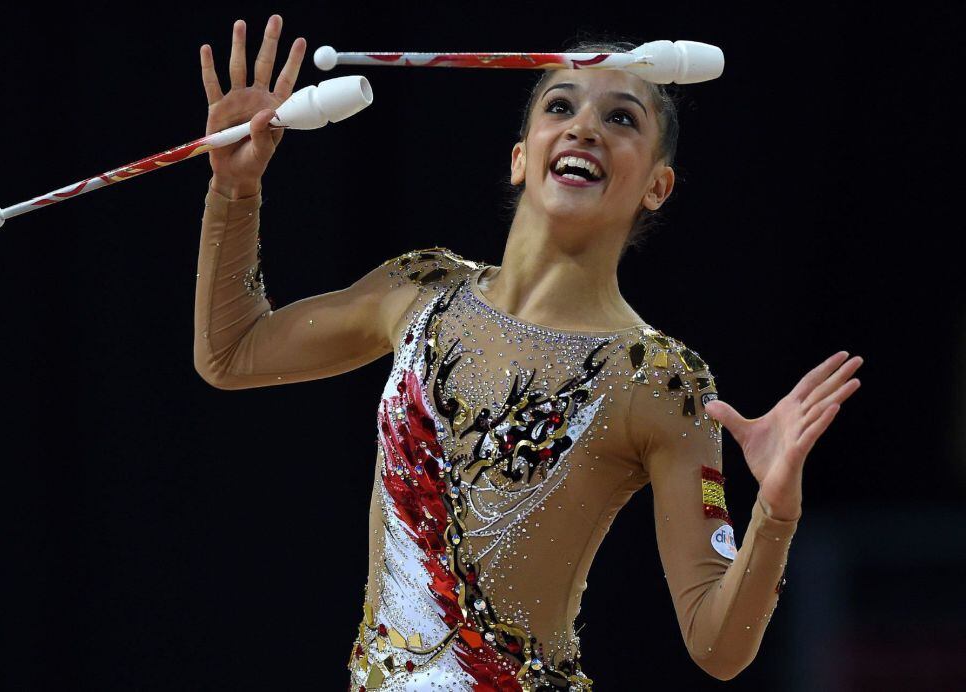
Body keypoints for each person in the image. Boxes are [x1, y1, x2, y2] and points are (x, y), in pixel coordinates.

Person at [193, 16, 863, 690]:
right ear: (521, 155)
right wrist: (235, 189)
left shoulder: (661, 382)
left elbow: (719, 647)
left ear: (658, 185)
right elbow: (232, 352)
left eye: (622, 118)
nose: (584, 128)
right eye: (561, 106)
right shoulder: (419, 289)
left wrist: (776, 513)